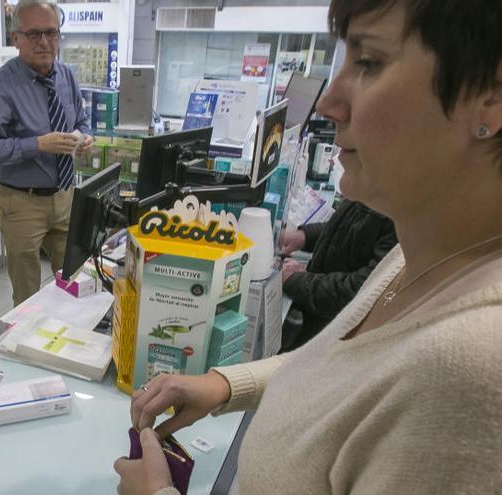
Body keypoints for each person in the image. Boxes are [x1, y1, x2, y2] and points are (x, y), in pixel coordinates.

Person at [115, 0, 502, 493]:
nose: (328, 103)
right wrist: (226, 385)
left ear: (489, 96)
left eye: (369, 63)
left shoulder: (473, 376)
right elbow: (343, 371)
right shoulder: (420, 253)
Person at [0, 0, 94, 305]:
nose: (44, 42)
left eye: (51, 33)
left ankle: (67, 341)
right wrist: (38, 144)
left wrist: (86, 137)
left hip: (65, 196)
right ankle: (26, 349)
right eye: (34, 34)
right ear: (16, 39)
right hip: (21, 203)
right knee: (27, 296)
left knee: (74, 281)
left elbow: (80, 120)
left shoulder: (66, 76)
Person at [278, 198, 397, 350]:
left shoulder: (403, 219)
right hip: (319, 315)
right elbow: (348, 228)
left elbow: (362, 289)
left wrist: (296, 280)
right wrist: (304, 237)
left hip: (336, 332)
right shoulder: (376, 189)